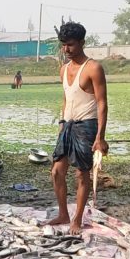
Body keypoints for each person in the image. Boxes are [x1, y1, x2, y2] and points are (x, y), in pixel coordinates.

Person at [48, 21, 109, 235]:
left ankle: (77, 218)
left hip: (87, 125)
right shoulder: (63, 69)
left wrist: (100, 137)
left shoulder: (93, 68)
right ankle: (63, 213)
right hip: (67, 125)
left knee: (82, 175)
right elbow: (66, 98)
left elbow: (102, 103)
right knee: (56, 171)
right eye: (63, 45)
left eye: (71, 45)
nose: (66, 49)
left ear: (82, 42)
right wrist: (62, 124)